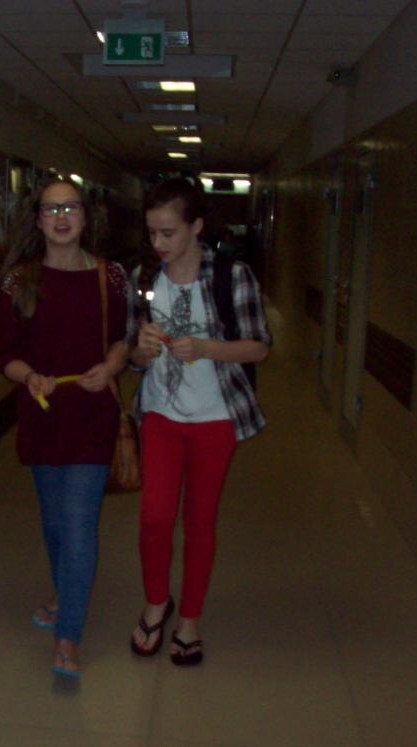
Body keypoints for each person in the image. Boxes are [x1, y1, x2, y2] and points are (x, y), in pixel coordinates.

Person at [0, 177, 130, 678]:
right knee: (54, 524)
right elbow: (4, 354)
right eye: (51, 210)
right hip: (43, 416)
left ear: (85, 217)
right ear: (39, 220)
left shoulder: (110, 277)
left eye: (70, 207)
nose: (62, 217)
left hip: (93, 416)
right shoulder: (20, 281)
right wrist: (29, 376)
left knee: (78, 524)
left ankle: (68, 635)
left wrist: (109, 368)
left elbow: (122, 341)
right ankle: (64, 592)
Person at [128, 178, 270, 665]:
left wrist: (208, 348)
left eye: (168, 233)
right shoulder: (145, 277)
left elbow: (259, 347)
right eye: (152, 232)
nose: (158, 243)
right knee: (154, 516)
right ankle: (156, 603)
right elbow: (132, 354)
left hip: (215, 418)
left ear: (196, 227)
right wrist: (141, 351)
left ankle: (189, 619)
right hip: (160, 415)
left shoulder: (232, 275)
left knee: (199, 520)